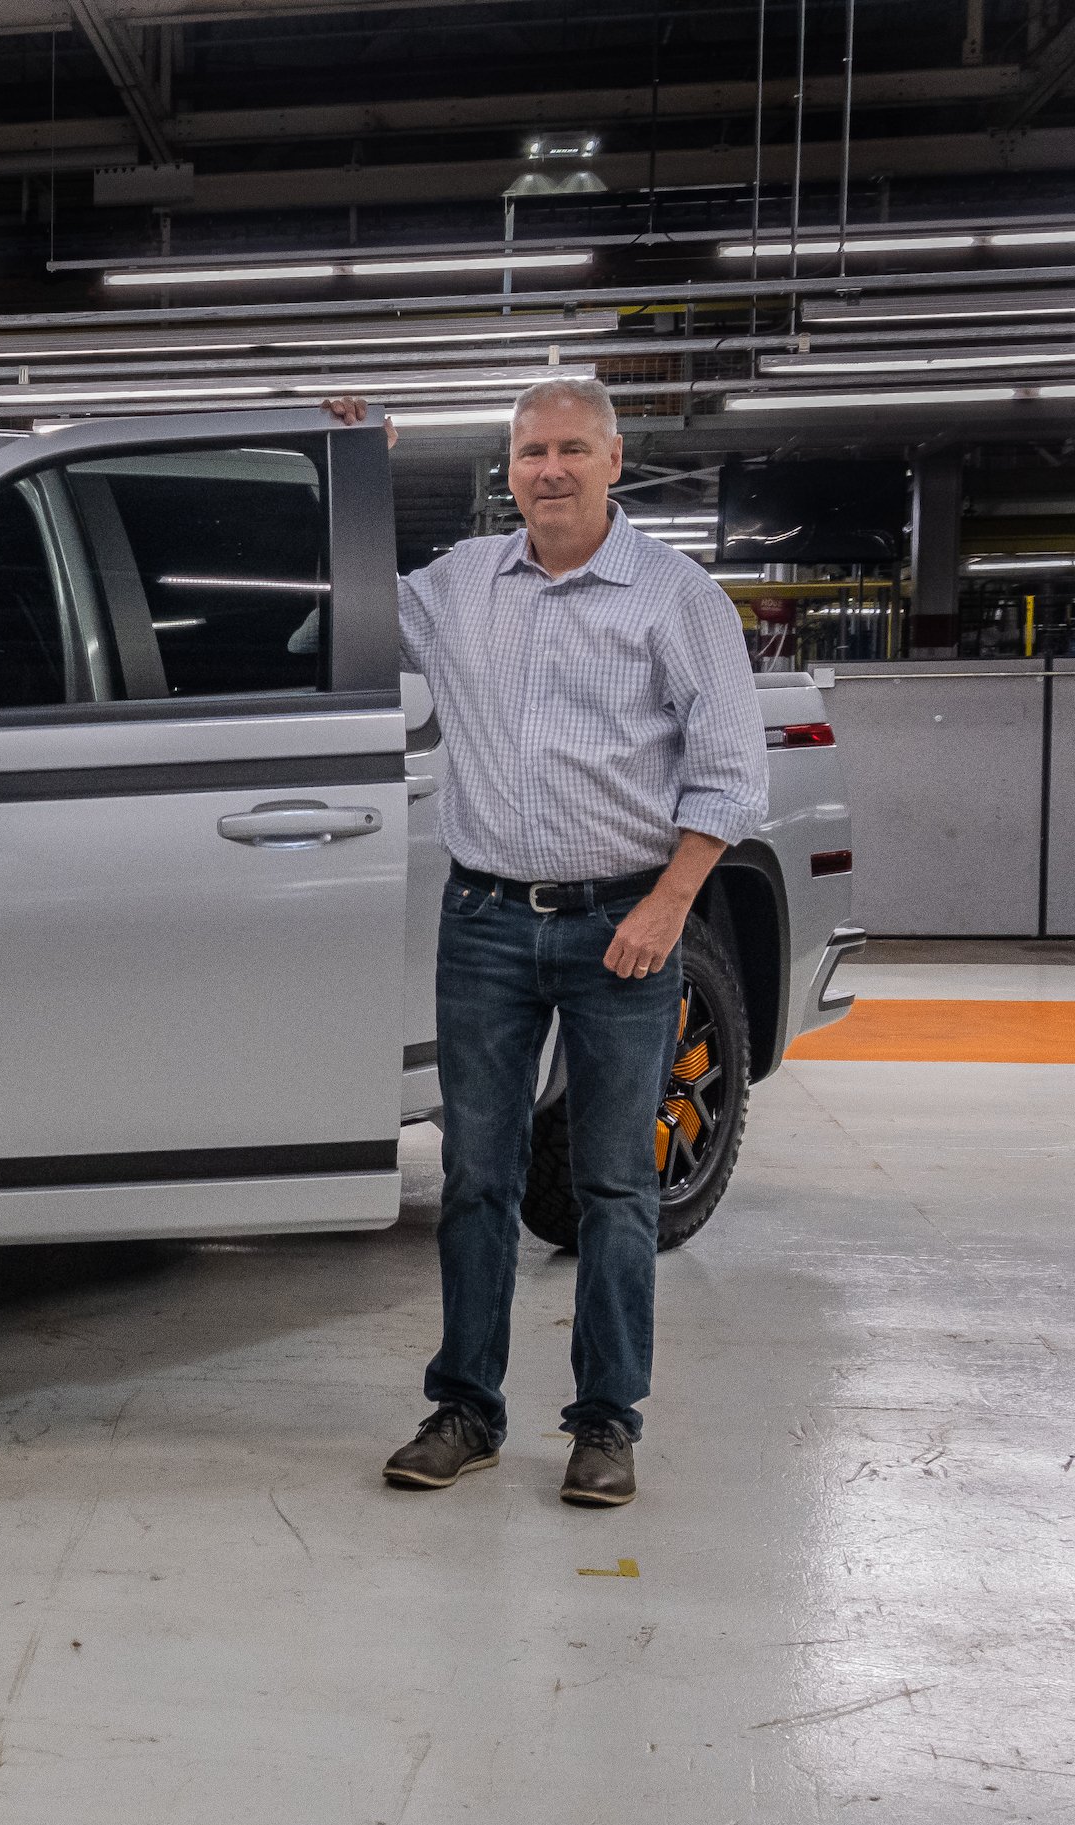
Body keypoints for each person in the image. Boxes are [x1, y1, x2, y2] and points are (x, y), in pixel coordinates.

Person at [325, 380, 766, 1508]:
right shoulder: (458, 585)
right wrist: (341, 458)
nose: (550, 470)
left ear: (615, 461)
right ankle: (464, 1408)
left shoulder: (675, 597)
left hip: (626, 918)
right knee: (477, 1174)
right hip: (483, 922)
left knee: (615, 1184)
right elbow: (343, 591)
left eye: (572, 449)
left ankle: (605, 1423)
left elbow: (730, 773)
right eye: (530, 452)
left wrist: (669, 905)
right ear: (507, 469)